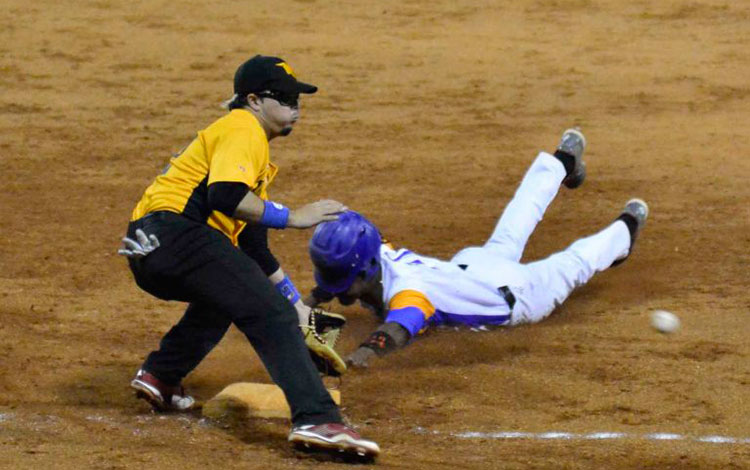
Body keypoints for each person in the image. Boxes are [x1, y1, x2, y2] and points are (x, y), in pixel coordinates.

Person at [119, 54, 379, 459]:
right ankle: (317, 419)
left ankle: (162, 375)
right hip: (175, 235)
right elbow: (225, 196)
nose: (295, 108)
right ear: (254, 100)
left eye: (298, 100)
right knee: (267, 313)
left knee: (233, 295)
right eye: (285, 98)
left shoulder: (248, 153)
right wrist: (293, 217)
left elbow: (254, 250)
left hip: (157, 245)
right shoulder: (243, 128)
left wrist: (298, 307)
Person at [306, 129, 649, 368]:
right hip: (474, 269)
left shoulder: (411, 295)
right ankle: (560, 162)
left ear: (364, 269)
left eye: (340, 279)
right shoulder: (374, 249)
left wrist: (362, 356)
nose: (336, 287)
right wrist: (304, 304)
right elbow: (338, 271)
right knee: (511, 229)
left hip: (518, 295)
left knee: (572, 263)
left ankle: (626, 229)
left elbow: (394, 331)